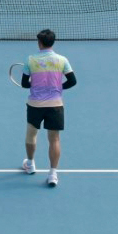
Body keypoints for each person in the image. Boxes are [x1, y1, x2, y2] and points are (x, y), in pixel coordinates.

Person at [20, 29, 76, 188]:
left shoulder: (30, 60)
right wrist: (58, 87)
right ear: (53, 42)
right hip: (55, 105)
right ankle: (52, 174)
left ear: (39, 43)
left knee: (31, 134)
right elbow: (72, 81)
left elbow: (24, 84)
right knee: (55, 139)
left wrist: (36, 85)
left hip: (35, 105)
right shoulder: (62, 60)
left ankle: (30, 164)